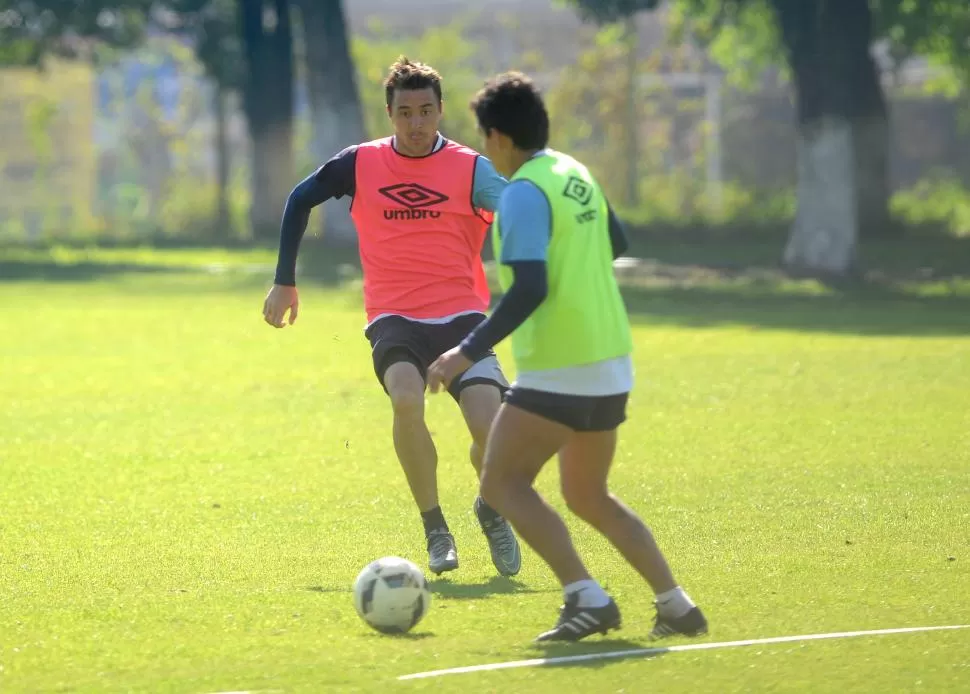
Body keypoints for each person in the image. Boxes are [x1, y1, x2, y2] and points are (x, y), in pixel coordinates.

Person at [427, 71, 707, 642]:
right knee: (586, 494)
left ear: (500, 137)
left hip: (562, 364)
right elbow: (616, 243)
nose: (485, 149)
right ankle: (676, 604)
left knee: (500, 483)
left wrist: (465, 351)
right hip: (609, 360)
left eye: (485, 137)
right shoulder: (573, 173)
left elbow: (529, 288)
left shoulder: (525, 192)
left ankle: (587, 597)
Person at [262, 56, 521, 579]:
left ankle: (491, 507)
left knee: (487, 430)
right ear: (389, 114)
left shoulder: (472, 169)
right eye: (405, 113)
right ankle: (436, 530)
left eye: (426, 111)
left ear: (442, 110)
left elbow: (520, 210)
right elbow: (299, 199)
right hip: (394, 316)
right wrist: (284, 279)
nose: (417, 124)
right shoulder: (361, 163)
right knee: (406, 398)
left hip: (463, 318)